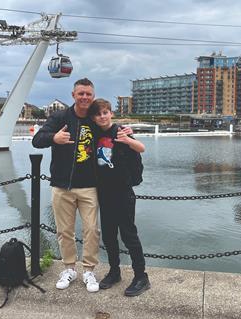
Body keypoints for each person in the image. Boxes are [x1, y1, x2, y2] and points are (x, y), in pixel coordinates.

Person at [32, 78, 131, 293]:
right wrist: (54, 137)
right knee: (64, 231)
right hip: (62, 186)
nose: (85, 97)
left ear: (92, 96)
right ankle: (69, 268)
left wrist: (126, 131)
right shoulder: (60, 117)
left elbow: (110, 128)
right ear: (73, 95)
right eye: (81, 93)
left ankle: (88, 270)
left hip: (89, 186)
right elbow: (37, 140)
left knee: (92, 230)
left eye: (88, 94)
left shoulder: (95, 118)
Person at [88, 98, 150, 297]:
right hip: (104, 193)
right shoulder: (95, 133)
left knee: (129, 235)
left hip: (123, 192)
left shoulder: (120, 131)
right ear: (94, 118)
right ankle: (115, 272)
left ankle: (141, 276)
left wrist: (128, 140)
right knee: (108, 235)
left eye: (105, 112)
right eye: (98, 114)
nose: (102, 116)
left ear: (111, 113)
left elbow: (141, 148)